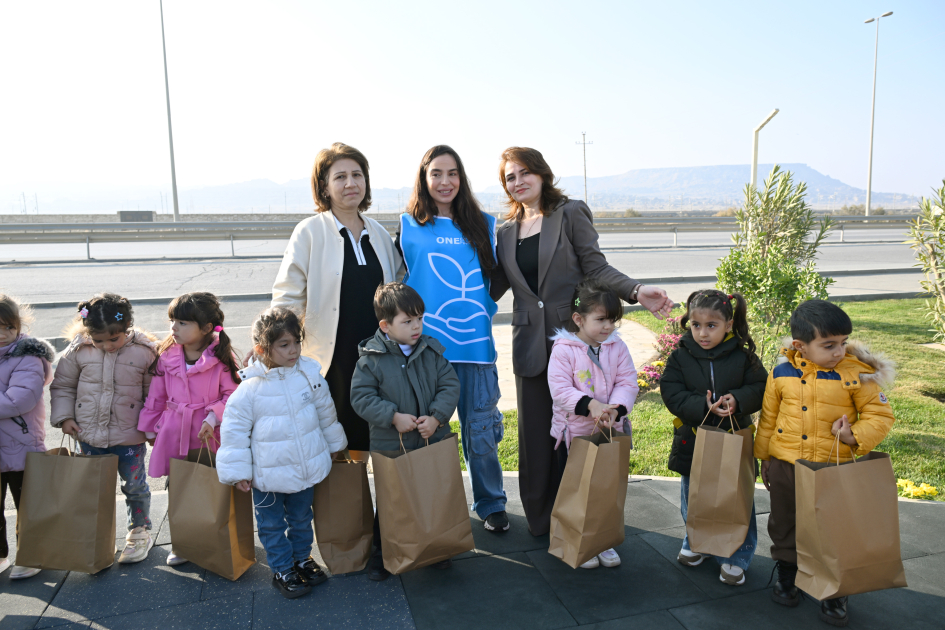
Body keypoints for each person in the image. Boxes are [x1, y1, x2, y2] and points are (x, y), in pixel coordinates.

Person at [490, 146, 672, 536]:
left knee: (578, 431)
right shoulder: (504, 231)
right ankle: (543, 521)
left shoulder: (570, 213)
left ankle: (581, 517)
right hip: (529, 345)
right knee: (537, 437)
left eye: (525, 173)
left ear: (542, 174)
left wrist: (636, 290)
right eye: (510, 177)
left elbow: (596, 266)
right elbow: (492, 286)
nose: (518, 181)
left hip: (573, 343)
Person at [756, 299, 895, 627]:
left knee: (832, 529)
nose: (839, 351)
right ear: (800, 346)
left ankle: (835, 589)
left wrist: (854, 436)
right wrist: (764, 456)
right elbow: (768, 417)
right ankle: (788, 574)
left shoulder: (856, 373)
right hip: (786, 465)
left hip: (833, 468)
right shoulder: (780, 372)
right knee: (784, 522)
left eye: (843, 342)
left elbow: (880, 414)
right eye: (829, 345)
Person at [397, 145, 508, 532]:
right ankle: (437, 509)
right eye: (436, 174)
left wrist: (481, 307)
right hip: (427, 352)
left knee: (481, 430)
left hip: (476, 349)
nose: (445, 182)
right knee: (432, 433)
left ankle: (491, 502)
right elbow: (398, 285)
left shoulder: (484, 224)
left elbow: (498, 277)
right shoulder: (409, 226)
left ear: (462, 179)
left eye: (453, 173)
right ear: (424, 179)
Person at [272, 142, 401, 462]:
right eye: (340, 176)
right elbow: (288, 295)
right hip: (332, 358)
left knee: (370, 438)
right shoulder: (310, 232)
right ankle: (343, 510)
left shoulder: (380, 234)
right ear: (324, 187)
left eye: (357, 175)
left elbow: (399, 287)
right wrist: (275, 341)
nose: (350, 183)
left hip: (376, 358)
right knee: (335, 441)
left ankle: (374, 511)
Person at [217, 307, 347, 599]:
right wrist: (239, 473)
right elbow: (234, 434)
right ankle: (282, 568)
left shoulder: (309, 374)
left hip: (304, 468)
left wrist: (335, 444)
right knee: (272, 524)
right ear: (263, 349)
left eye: (297, 342)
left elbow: (326, 414)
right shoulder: (249, 390)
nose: (294, 350)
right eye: (284, 345)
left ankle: (303, 558)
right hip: (267, 476)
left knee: (302, 517)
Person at [350, 282, 460, 582]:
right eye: (407, 321)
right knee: (392, 503)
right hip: (391, 445)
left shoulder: (431, 351)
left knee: (433, 496)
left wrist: (437, 417)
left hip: (430, 441)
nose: (416, 327)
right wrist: (392, 416)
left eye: (420, 319)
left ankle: (437, 547)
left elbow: (450, 385)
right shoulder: (370, 359)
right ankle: (382, 556)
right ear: (385, 326)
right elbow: (361, 398)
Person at [659, 289, 767, 585]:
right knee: (694, 493)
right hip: (693, 439)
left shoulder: (744, 355)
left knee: (737, 497)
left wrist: (739, 400)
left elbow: (760, 387)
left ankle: (736, 554)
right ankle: (697, 542)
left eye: (711, 326)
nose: (702, 333)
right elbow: (670, 390)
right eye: (696, 325)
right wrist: (700, 406)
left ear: (729, 324)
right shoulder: (680, 355)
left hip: (734, 437)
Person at [49, 293, 158, 572]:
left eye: (114, 339)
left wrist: (150, 427)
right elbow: (63, 386)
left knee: (134, 486)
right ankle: (99, 537)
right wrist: (65, 418)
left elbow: (153, 394)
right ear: (88, 333)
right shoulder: (79, 351)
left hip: (129, 437)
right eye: (98, 340)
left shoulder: (145, 352)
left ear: (127, 327)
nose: (106, 345)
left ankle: (139, 530)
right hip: (89, 435)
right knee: (96, 490)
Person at [138, 292, 240, 566]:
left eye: (183, 323)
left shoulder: (221, 356)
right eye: (173, 321)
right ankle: (183, 543)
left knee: (212, 487)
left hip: (210, 436)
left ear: (207, 328)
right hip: (174, 432)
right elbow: (156, 395)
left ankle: (217, 538)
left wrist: (213, 417)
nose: (174, 328)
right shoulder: (167, 355)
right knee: (179, 488)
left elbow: (234, 395)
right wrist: (151, 428)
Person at [547, 279, 639, 569]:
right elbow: (560, 389)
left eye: (613, 320)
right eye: (601, 320)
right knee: (577, 491)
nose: (608, 327)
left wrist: (616, 409)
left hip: (609, 432)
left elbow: (627, 381)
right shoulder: (564, 350)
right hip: (575, 434)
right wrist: (591, 406)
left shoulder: (617, 346)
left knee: (606, 490)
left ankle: (603, 541)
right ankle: (579, 542)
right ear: (578, 319)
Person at [0, 295, 54, 579]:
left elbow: (18, 401)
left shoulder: (27, 356)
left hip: (22, 445)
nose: (3, 334)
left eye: (8, 327)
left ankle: (31, 555)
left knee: (29, 506)